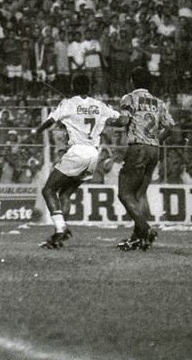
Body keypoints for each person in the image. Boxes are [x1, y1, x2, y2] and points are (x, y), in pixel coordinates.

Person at [30, 73, 127, 250]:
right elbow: (121, 121)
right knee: (65, 194)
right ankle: (59, 235)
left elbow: (50, 120)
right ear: (89, 88)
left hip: (77, 151)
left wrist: (37, 131)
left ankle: (61, 229)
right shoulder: (99, 105)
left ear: (73, 87)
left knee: (48, 190)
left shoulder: (68, 103)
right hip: (93, 154)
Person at [115, 67, 175, 251]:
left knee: (124, 193)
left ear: (132, 81)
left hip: (138, 147)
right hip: (154, 149)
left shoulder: (129, 98)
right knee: (139, 194)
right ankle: (137, 238)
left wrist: (109, 120)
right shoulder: (159, 102)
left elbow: (124, 121)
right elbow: (170, 126)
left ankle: (146, 230)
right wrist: (157, 140)